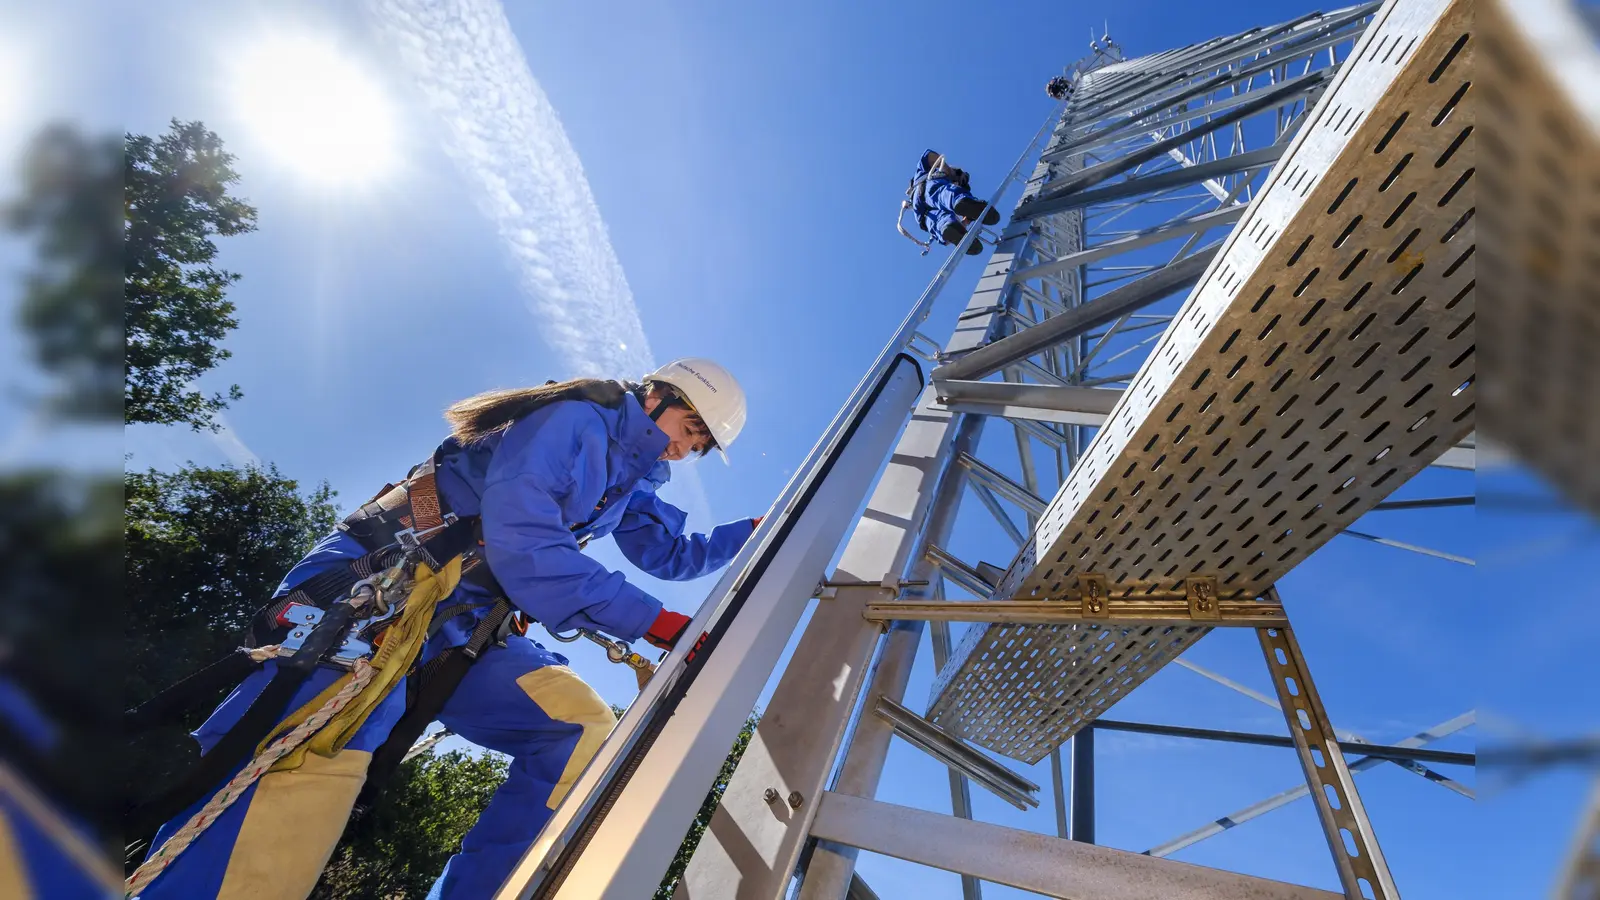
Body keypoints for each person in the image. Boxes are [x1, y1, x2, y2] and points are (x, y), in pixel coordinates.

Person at [132, 358, 761, 900]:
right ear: (658, 396)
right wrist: (655, 622)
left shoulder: (634, 478)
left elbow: (670, 555)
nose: (688, 449)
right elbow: (527, 544)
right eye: (690, 429)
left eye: (701, 446)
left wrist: (754, 532)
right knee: (323, 737)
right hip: (380, 588)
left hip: (462, 623)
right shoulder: (573, 422)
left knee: (578, 733)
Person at [905, 149, 1001, 255]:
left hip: (920, 213)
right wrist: (949, 171)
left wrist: (963, 223)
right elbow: (929, 155)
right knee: (946, 195)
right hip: (928, 188)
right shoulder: (929, 173)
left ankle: (947, 226)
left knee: (940, 223)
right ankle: (957, 201)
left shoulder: (919, 180)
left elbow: (965, 208)